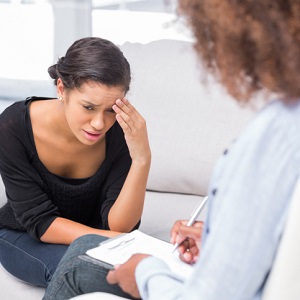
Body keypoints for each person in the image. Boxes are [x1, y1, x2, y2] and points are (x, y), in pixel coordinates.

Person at [43, 0, 300, 299]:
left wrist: (145, 272)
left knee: (77, 266)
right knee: (84, 248)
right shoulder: (285, 124)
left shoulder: (272, 140)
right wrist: (218, 237)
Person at [0, 37, 151, 288]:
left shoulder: (120, 132)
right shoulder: (13, 126)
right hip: (24, 236)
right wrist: (114, 241)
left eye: (111, 109)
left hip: (96, 238)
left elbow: (120, 225)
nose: (99, 124)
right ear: (61, 89)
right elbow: (40, 222)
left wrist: (142, 158)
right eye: (88, 107)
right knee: (84, 273)